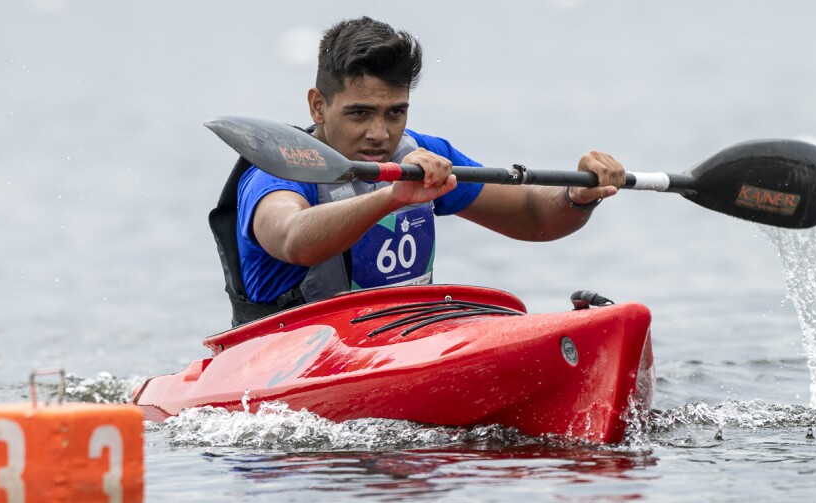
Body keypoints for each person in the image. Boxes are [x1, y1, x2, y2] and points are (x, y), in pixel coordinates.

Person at [210, 16, 627, 327]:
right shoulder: (277, 172)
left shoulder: (423, 156)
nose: (380, 133)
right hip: (283, 358)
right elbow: (292, 238)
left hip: (397, 339)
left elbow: (533, 218)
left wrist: (577, 197)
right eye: (360, 113)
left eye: (396, 112)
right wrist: (391, 197)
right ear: (318, 105)